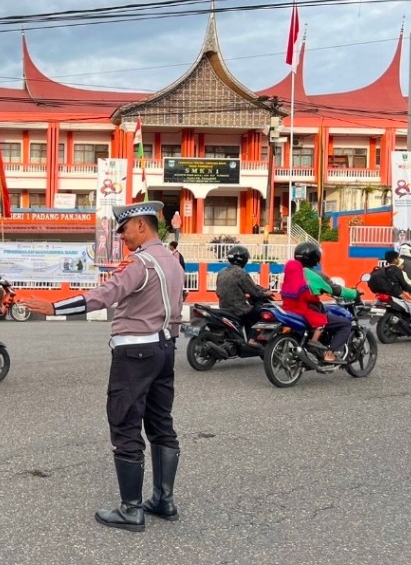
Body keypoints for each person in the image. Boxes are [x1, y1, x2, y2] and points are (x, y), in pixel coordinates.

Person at [22, 201, 185, 533]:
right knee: (161, 424)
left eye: (124, 229)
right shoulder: (174, 261)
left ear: (141, 225)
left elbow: (103, 296)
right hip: (165, 348)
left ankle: (131, 510)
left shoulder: (141, 264)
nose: (122, 235)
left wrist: (53, 307)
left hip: (135, 353)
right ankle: (164, 501)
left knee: (126, 425)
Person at [281, 243, 356, 364]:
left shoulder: (292, 271)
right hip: (308, 309)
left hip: (289, 309)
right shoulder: (316, 275)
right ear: (315, 257)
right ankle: (330, 354)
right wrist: (355, 293)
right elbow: (336, 290)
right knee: (345, 324)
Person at [215, 245, 273, 346]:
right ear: (244, 259)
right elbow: (255, 291)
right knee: (262, 313)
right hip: (238, 309)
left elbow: (219, 291)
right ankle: (253, 339)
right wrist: (266, 293)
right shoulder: (240, 273)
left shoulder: (222, 272)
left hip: (224, 307)